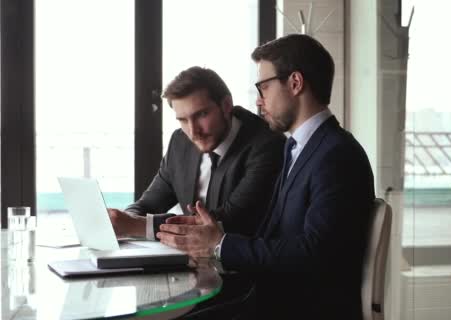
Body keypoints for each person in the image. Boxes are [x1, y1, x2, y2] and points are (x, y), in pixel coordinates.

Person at [157, 34, 375, 320]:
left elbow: (315, 253)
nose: (259, 102)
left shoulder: (337, 155)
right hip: (272, 299)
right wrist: (212, 240)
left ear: (295, 83)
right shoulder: (297, 148)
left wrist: (220, 244)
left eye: (264, 87)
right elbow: (273, 233)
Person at [108, 67, 285, 257]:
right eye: (183, 120)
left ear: (226, 105)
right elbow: (148, 204)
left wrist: (136, 225)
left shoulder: (267, 145)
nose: (193, 131)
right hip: (193, 268)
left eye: (201, 115)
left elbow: (228, 221)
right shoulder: (180, 142)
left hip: (243, 273)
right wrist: (120, 221)